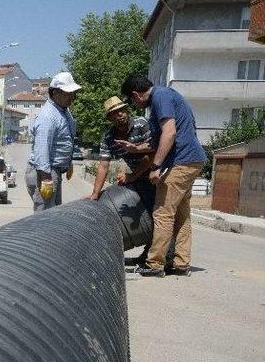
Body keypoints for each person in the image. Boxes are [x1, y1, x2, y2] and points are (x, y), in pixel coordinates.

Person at [121, 74, 207, 277]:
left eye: (132, 100)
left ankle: (155, 264)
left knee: (162, 213)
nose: (134, 104)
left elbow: (169, 133)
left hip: (182, 161)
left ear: (136, 95)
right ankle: (181, 263)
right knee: (181, 214)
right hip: (192, 160)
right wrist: (135, 148)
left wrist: (156, 166)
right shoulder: (164, 97)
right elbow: (156, 142)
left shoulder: (161, 97)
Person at [88, 96, 156, 265]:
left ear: (127, 111)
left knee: (157, 215)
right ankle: (149, 253)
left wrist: (132, 176)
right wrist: (95, 195)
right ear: (109, 118)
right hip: (139, 175)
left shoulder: (141, 124)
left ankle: (160, 255)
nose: (120, 115)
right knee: (145, 213)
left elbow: (153, 153)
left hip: (157, 171)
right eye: (114, 113)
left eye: (122, 110)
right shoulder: (109, 137)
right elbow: (103, 166)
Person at [25, 71, 81, 211]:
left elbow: (64, 140)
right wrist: (45, 178)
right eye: (68, 93)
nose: (72, 97)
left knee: (53, 215)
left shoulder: (62, 110)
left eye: (73, 93)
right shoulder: (48, 116)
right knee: (44, 220)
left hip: (53, 171)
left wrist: (68, 162)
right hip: (45, 172)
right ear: (55, 93)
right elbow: (42, 148)